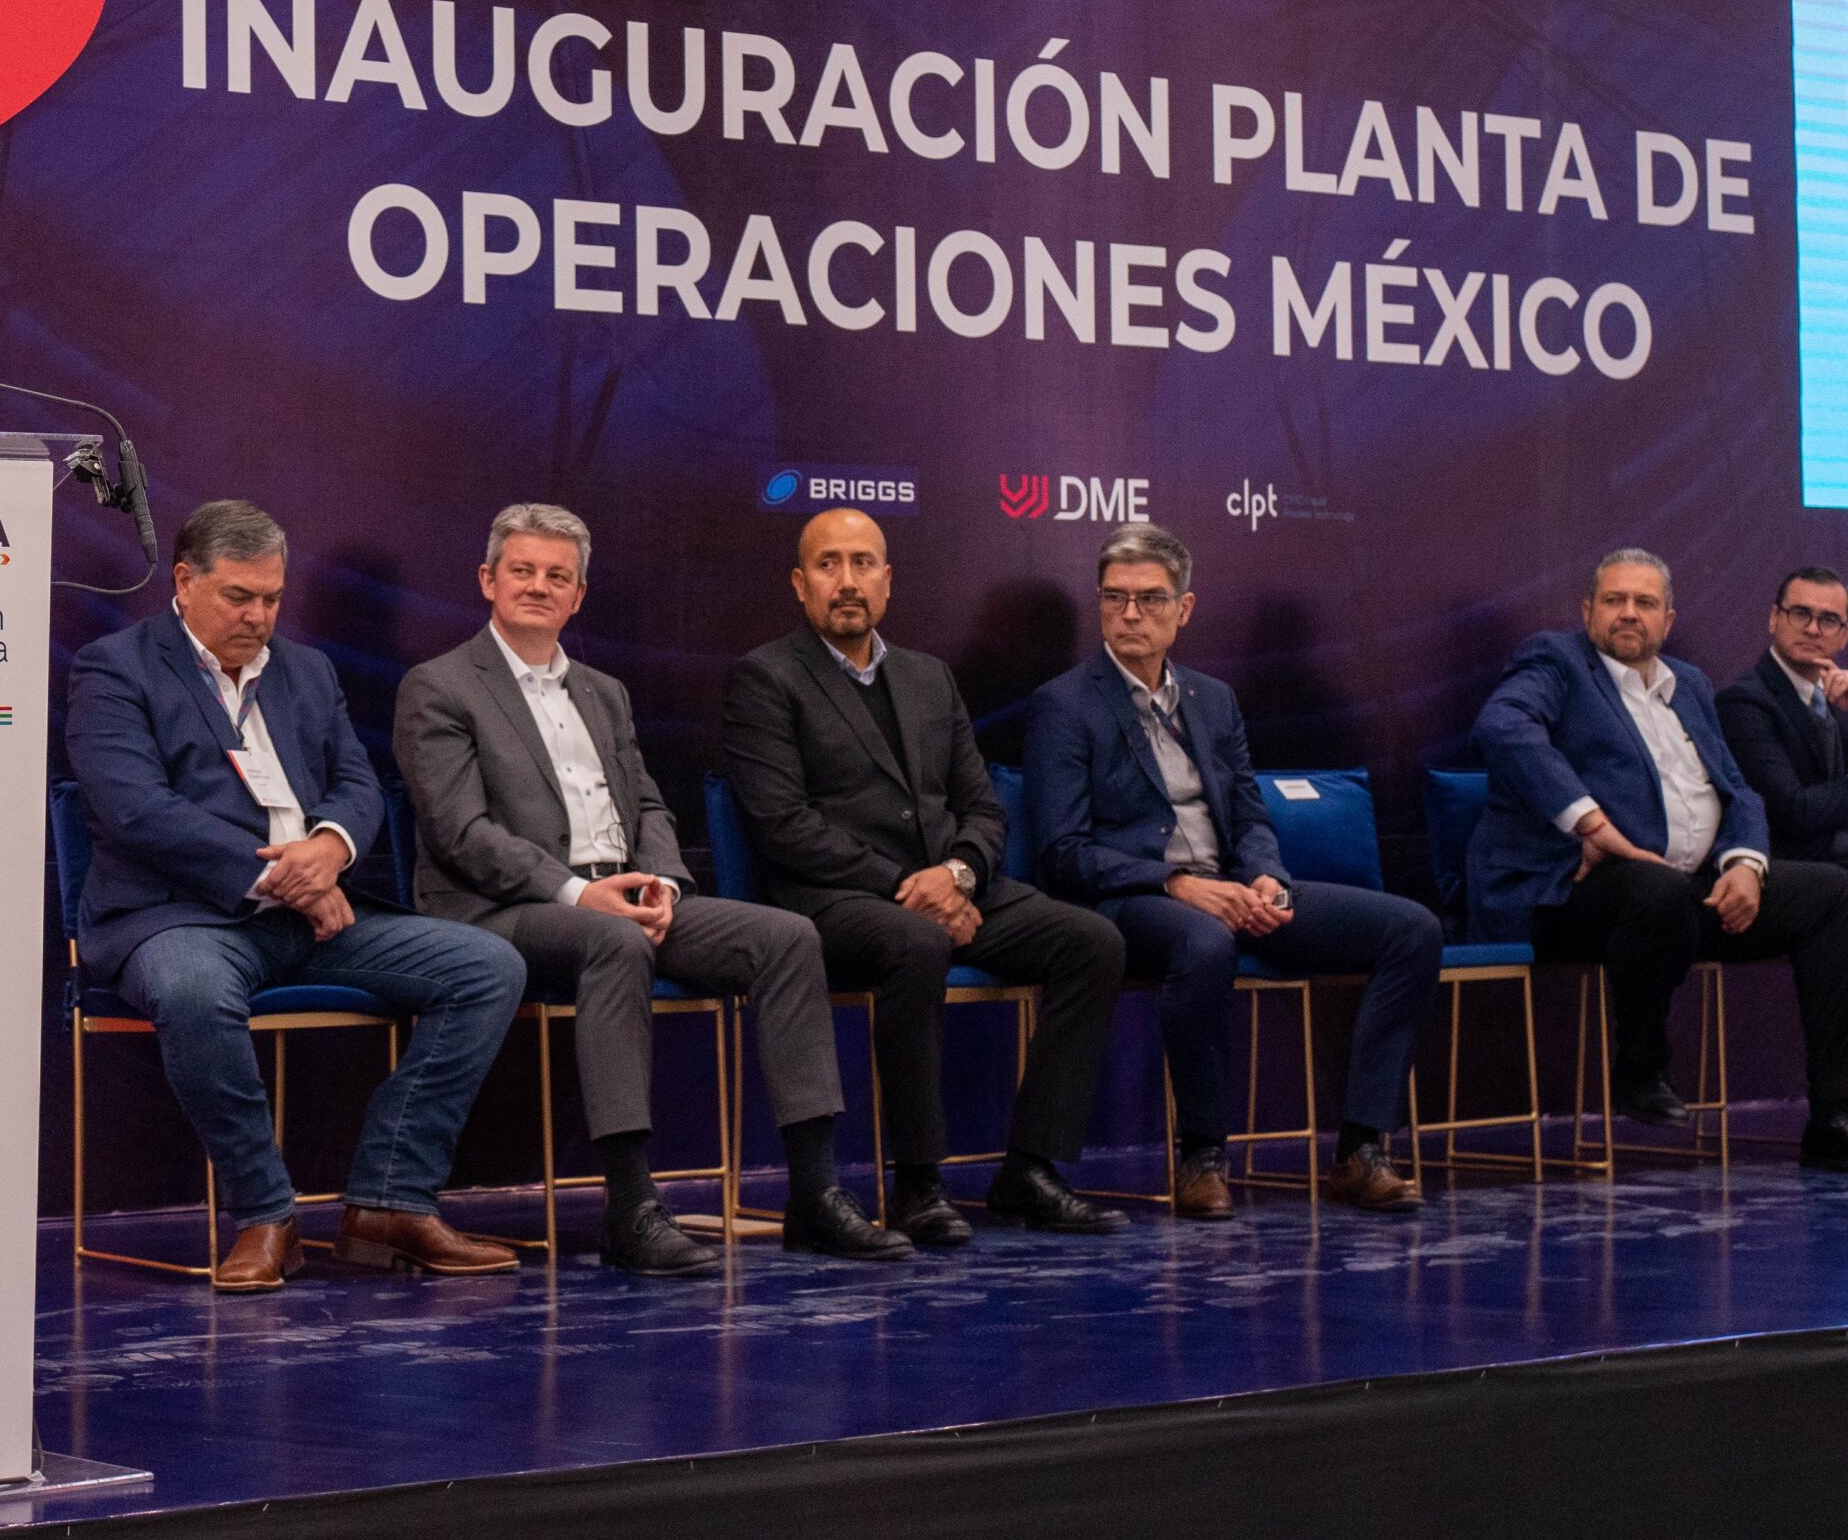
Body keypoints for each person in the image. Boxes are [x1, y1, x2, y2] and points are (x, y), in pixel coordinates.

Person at [396, 504, 915, 1272]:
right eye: (523, 572)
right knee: (612, 940)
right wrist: (578, 894)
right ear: (487, 581)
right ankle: (631, 1207)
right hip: (506, 912)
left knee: (786, 937)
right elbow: (460, 834)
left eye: (558, 577)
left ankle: (813, 1195)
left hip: (627, 895)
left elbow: (645, 804)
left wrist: (666, 883)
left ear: (579, 596)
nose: (539, 587)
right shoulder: (438, 686)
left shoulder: (604, 692)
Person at [66, 499, 527, 1291]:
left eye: (272, 598)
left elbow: (357, 783)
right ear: (183, 581)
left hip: (318, 910)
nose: (259, 616)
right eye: (238, 597)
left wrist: (330, 850)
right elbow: (135, 808)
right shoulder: (117, 667)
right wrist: (286, 877)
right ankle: (266, 1216)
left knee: (487, 966)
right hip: (180, 916)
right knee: (191, 987)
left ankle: (390, 1199)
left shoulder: (307, 670)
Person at [721, 508, 1129, 1235]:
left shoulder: (929, 676)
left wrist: (961, 876)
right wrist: (910, 889)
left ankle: (1029, 1171)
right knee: (917, 943)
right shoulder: (765, 677)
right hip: (838, 900)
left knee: (1092, 941)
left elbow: (982, 807)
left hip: (952, 888)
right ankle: (918, 1183)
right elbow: (784, 827)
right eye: (828, 564)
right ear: (799, 582)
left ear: (888, 580)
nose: (847, 581)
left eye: (863, 563)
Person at [1022, 523, 1439, 1216]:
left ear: (1184, 609)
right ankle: (1202, 1156)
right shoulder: (1064, 704)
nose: (1131, 614)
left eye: (1150, 599)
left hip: (1231, 888)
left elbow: (1248, 814)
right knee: (1205, 941)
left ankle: (1362, 1149)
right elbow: (1063, 851)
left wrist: (1266, 876)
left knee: (1412, 930)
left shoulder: (1213, 699)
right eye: (1115, 598)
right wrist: (1178, 884)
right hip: (1133, 899)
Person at [1470, 548, 1848, 1167]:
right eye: (1614, 600)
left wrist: (1746, 865)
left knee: (1830, 892)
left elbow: (1738, 791)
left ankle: (1835, 1115)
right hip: (1573, 890)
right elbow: (1503, 728)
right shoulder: (1558, 661)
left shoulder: (1690, 684)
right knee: (1656, 890)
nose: (1628, 614)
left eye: (1644, 603)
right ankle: (1640, 1068)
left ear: (1667, 620)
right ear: (1587, 610)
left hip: (1685, 890)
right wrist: (1589, 821)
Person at [1717, 567, 1848, 865]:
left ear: (1844, 636)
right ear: (1774, 619)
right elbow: (1793, 812)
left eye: (1828, 620)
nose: (1813, 629)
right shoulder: (1744, 701)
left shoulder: (1837, 698)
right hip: (1789, 866)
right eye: (1801, 614)